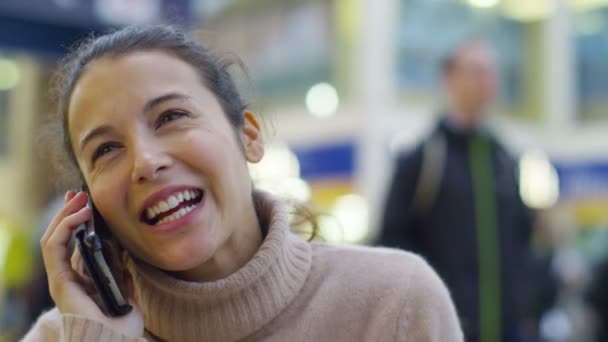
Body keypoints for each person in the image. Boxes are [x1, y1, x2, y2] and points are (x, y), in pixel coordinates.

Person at [22, 25, 462, 341]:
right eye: (106, 150)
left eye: (171, 117)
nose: (146, 162)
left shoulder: (394, 304)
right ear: (86, 203)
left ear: (248, 136)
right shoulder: (63, 336)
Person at [378, 41, 534, 342]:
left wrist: (525, 307)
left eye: (490, 73)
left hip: (507, 329)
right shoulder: (423, 159)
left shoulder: (505, 160)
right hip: (442, 328)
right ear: (448, 79)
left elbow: (521, 242)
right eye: (475, 71)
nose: (485, 81)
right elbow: (393, 238)